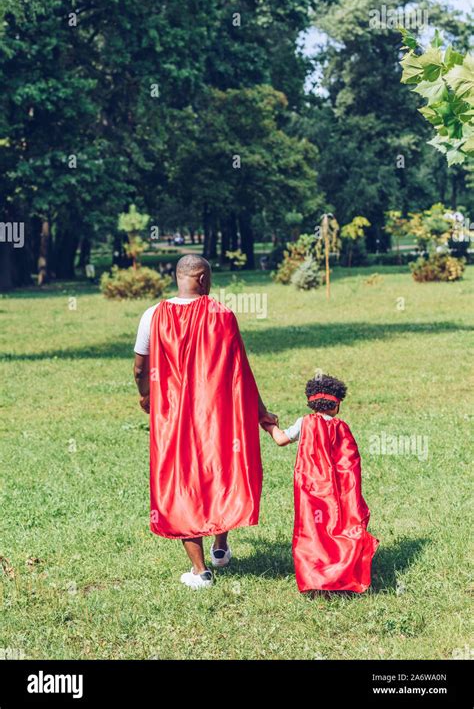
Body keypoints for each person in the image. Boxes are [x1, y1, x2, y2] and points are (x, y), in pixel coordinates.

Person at [133, 255, 277, 589]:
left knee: (181, 483)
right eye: (209, 277)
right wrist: (260, 412)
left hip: (173, 415)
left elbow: (141, 368)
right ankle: (220, 546)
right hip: (216, 415)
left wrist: (145, 395)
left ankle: (201, 571)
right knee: (218, 471)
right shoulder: (222, 315)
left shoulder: (152, 315)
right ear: (201, 278)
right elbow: (240, 370)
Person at [262, 374, 378, 594]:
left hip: (311, 491)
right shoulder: (342, 427)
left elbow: (281, 440)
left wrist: (267, 423)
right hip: (338, 492)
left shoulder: (304, 422)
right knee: (338, 527)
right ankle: (342, 572)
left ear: (311, 402)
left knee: (314, 530)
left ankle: (316, 575)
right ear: (337, 403)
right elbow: (350, 465)